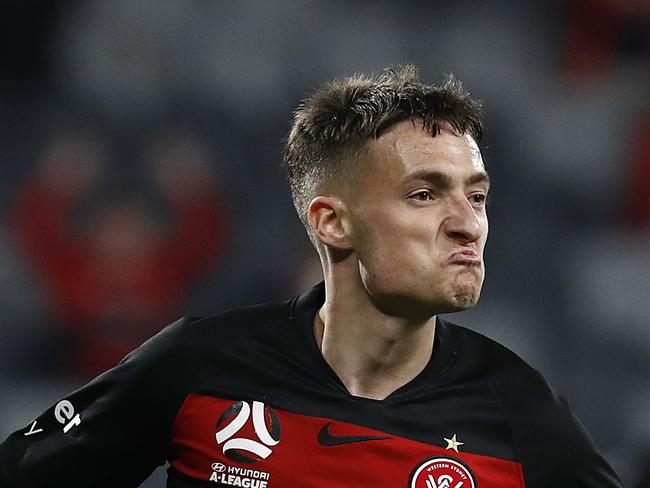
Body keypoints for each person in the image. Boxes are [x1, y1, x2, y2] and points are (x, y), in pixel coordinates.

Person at [0, 65, 622, 487]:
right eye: (426, 194)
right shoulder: (202, 366)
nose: (469, 225)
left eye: (478, 196)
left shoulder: (518, 411)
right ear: (332, 223)